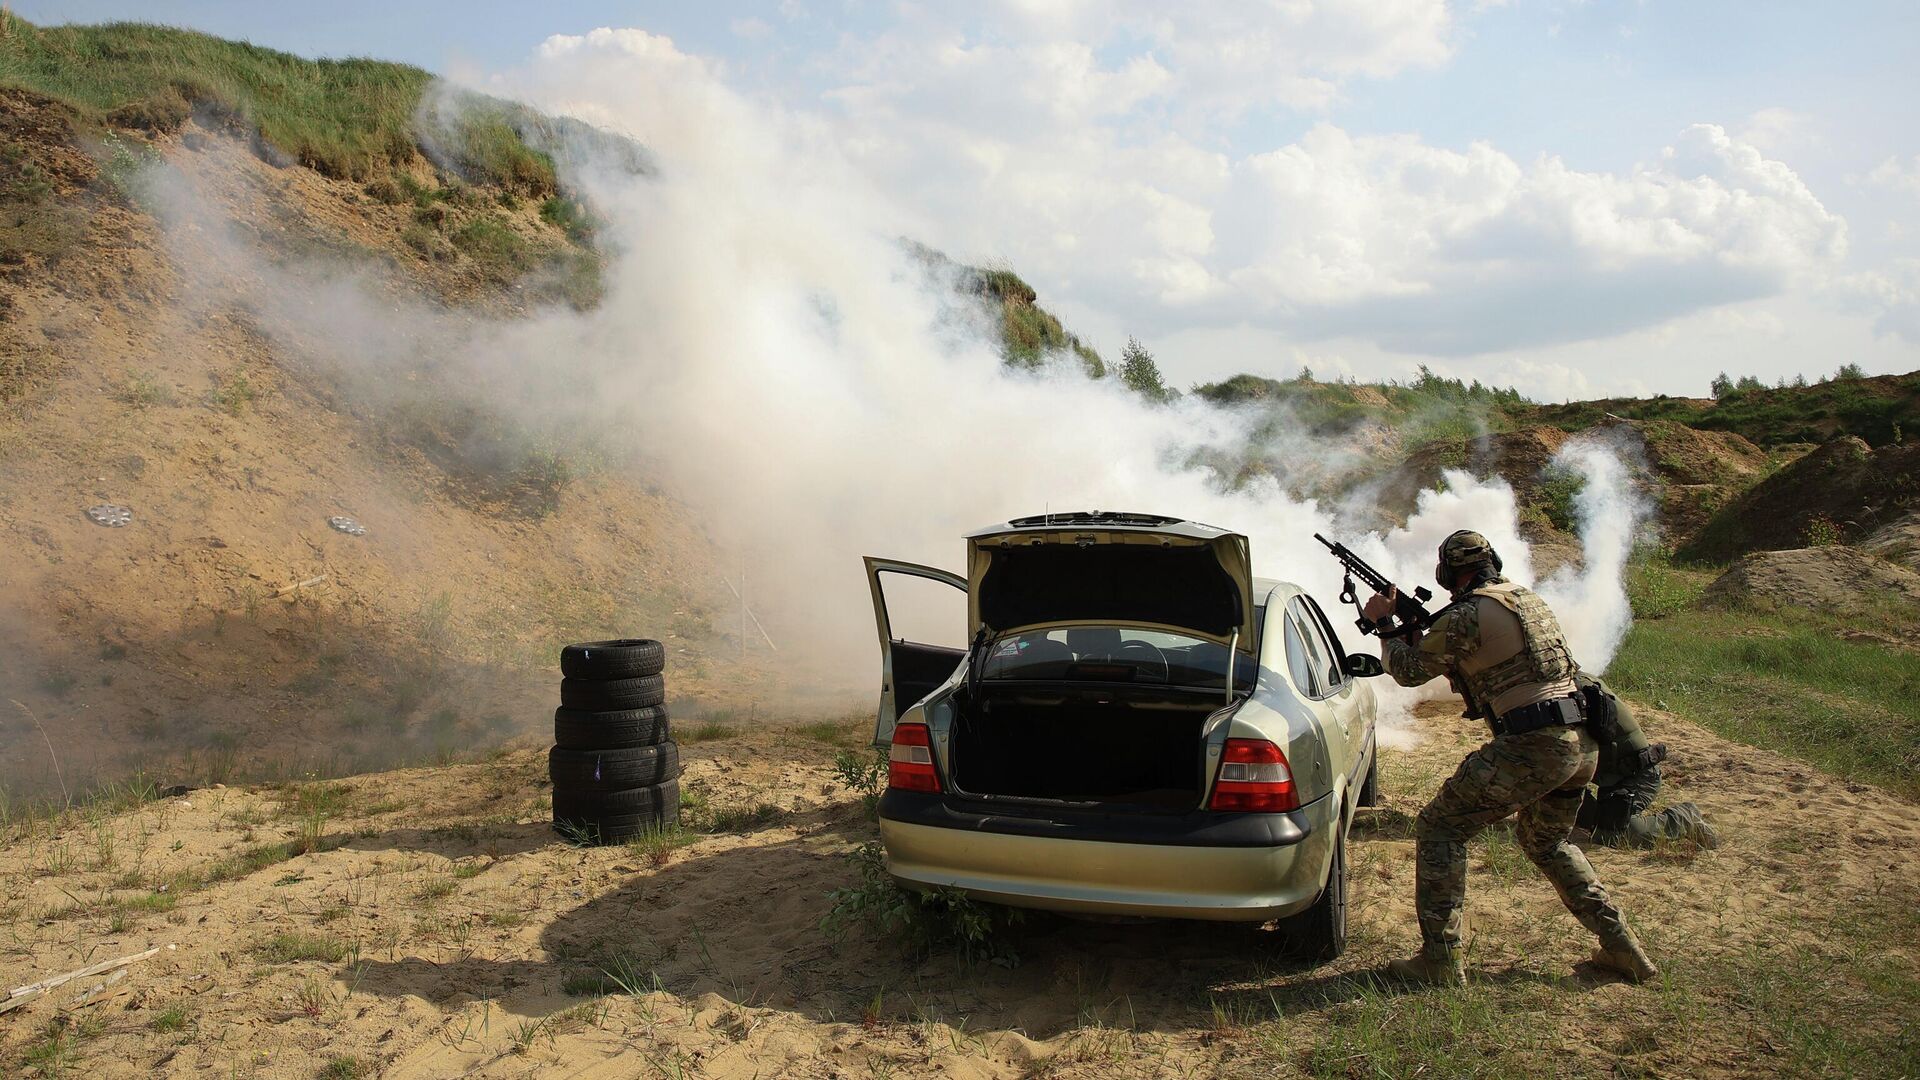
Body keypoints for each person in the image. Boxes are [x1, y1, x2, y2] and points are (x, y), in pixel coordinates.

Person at [1362, 530, 1657, 986]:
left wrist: (1384, 625)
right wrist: (1416, 632)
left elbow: (1406, 671)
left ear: (1446, 573)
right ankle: (1622, 948)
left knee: (1441, 827)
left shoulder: (1466, 615)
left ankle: (1438, 963)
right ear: (1492, 562)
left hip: (1532, 745)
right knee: (1549, 843)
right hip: (1580, 742)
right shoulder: (1525, 600)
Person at [1573, 672, 1718, 849]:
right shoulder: (1568, 687)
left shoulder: (1579, 692)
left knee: (1614, 836)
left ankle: (1685, 818)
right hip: (1609, 776)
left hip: (1635, 775)